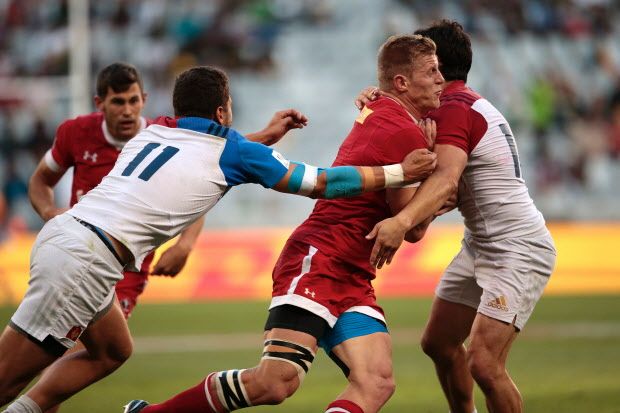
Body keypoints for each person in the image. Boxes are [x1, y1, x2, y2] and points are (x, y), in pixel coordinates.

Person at [0, 65, 436, 413]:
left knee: (112, 351)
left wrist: (264, 138)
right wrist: (400, 173)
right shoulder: (231, 152)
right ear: (224, 113)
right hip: (86, 260)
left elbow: (199, 157)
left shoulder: (153, 132)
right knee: (7, 376)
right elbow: (319, 182)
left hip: (71, 241)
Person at [125, 34, 444, 413]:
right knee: (275, 383)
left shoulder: (381, 111)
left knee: (376, 381)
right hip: (320, 260)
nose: (440, 78)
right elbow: (414, 229)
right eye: (432, 71)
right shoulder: (404, 131)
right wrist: (439, 188)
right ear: (402, 83)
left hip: (352, 273)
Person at [26, 62, 302, 413]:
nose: (127, 111)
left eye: (133, 101)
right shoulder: (76, 134)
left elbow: (206, 165)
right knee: (61, 351)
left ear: (144, 99)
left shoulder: (158, 131)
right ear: (100, 104)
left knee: (90, 352)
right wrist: (52, 215)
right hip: (79, 247)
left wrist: (185, 243)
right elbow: (41, 181)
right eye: (117, 102)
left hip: (128, 263)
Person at [363, 21, 557, 413]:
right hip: (482, 242)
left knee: (484, 363)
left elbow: (446, 178)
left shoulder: (454, 109)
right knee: (438, 343)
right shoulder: (461, 103)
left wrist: (403, 223)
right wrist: (379, 99)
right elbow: (443, 186)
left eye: (426, 62)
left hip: (516, 247)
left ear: (437, 66)